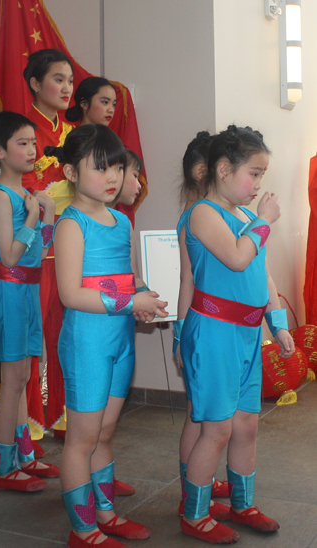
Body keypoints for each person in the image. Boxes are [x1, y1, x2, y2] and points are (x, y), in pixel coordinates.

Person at [175, 125, 295, 544]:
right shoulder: (203, 214)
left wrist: (278, 325)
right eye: (254, 173)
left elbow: (263, 278)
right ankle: (194, 513)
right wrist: (263, 220)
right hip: (213, 334)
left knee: (246, 425)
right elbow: (239, 258)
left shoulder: (245, 216)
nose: (259, 184)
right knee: (217, 428)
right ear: (223, 170)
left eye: (262, 175)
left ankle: (242, 504)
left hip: (244, 335)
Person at [53, 124, 168, 548]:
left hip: (120, 340)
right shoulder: (72, 224)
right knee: (81, 439)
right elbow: (70, 293)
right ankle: (82, 529)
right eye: (101, 167)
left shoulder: (120, 220)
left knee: (103, 434)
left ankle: (105, 514)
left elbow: (123, 276)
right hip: (87, 343)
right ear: (70, 173)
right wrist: (128, 303)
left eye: (117, 166)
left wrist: (142, 291)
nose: (113, 176)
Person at [0, 111, 59, 492]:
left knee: (25, 375)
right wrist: (33, 215)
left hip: (27, 287)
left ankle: (25, 455)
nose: (32, 150)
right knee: (12, 381)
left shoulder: (25, 195)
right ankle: (4, 467)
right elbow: (10, 256)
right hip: (10, 289)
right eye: (22, 143)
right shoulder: (1, 195)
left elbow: (41, 249)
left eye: (33, 142)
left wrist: (49, 213)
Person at [174, 132, 231, 523]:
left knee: (200, 413)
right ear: (205, 171)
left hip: (221, 331)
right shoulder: (196, 218)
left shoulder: (222, 214)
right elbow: (187, 282)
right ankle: (192, 494)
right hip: (206, 330)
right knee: (200, 416)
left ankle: (199, 481)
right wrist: (180, 336)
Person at [22, 48, 74, 443]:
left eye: (70, 81)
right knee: (31, 337)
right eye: (58, 79)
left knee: (62, 335)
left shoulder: (72, 133)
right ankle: (29, 421)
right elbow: (20, 187)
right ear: (35, 83)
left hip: (68, 250)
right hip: (35, 251)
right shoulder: (24, 132)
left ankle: (59, 413)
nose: (67, 88)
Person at [49, 77, 118, 216]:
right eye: (105, 102)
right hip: (67, 213)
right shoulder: (65, 138)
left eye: (114, 104)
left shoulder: (111, 141)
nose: (111, 109)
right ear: (84, 104)